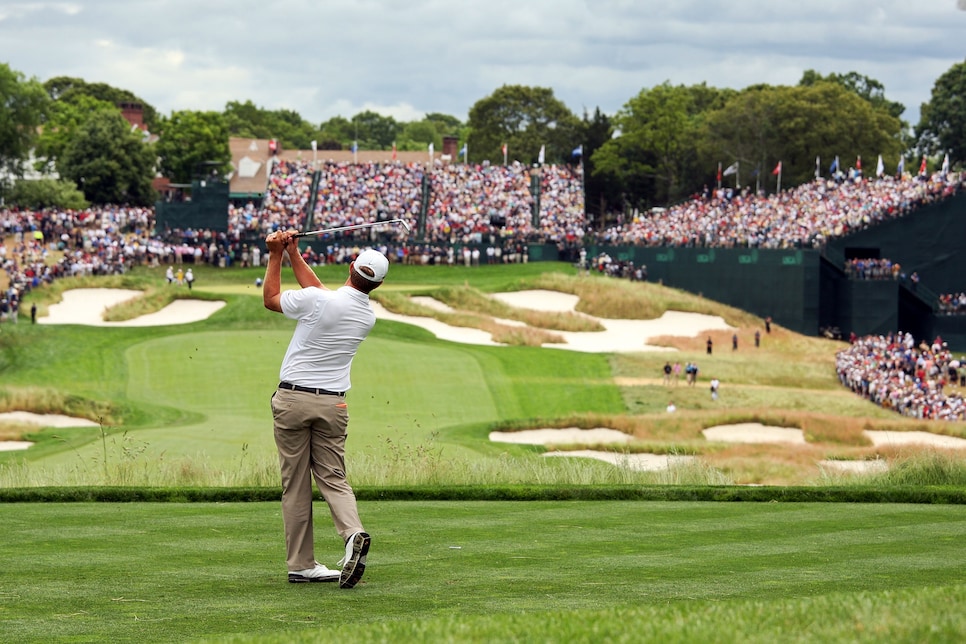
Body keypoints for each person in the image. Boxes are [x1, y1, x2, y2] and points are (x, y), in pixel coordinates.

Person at [262, 229, 385, 589]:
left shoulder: (320, 301)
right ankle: (352, 535)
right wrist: (294, 254)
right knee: (333, 476)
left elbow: (271, 298)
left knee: (296, 484)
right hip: (334, 404)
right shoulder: (366, 317)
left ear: (351, 266)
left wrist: (274, 254)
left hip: (293, 400)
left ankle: (301, 564)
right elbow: (321, 293)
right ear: (375, 284)